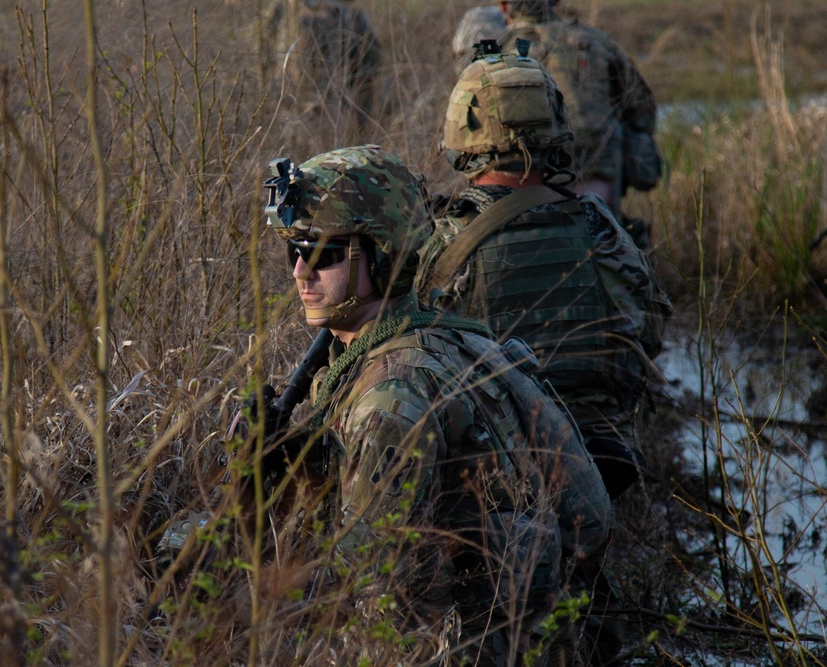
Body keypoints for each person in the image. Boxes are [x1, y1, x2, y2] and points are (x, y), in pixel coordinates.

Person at [262, 144, 611, 664]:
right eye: (292, 250)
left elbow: (381, 609)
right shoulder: (458, 341)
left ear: (380, 256)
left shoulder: (389, 395)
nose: (299, 272)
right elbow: (594, 520)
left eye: (321, 252)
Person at [419, 41, 671, 664]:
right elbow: (647, 338)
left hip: (498, 491)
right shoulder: (601, 228)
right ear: (554, 127)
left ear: (465, 132)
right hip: (603, 461)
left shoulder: (442, 246)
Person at [488, 0, 661, 230]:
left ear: (503, 6)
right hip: (603, 165)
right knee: (609, 239)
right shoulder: (598, 41)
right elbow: (642, 109)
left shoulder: (499, 53)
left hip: (537, 171)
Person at [257, 0, 381, 127]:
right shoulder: (351, 16)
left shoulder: (282, 9)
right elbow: (370, 67)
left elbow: (261, 56)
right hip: (332, 108)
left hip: (289, 106)